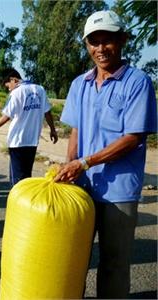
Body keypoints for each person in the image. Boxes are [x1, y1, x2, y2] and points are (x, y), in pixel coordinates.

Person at [54, 10, 157, 298]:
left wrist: (85, 162)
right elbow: (76, 131)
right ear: (87, 45)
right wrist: (69, 164)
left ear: (122, 40)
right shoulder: (80, 84)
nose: (100, 49)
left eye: (107, 40)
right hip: (83, 188)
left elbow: (133, 137)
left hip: (119, 191)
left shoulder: (137, 82)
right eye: (93, 42)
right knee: (75, 258)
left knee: (114, 262)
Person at [0, 68, 58, 187]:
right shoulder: (40, 89)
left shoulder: (17, 92)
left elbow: (6, 116)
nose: (9, 89)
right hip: (32, 141)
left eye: (8, 86)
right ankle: (25, 202)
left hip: (17, 142)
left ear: (13, 79)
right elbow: (47, 112)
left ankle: (17, 202)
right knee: (26, 176)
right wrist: (53, 130)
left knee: (16, 180)